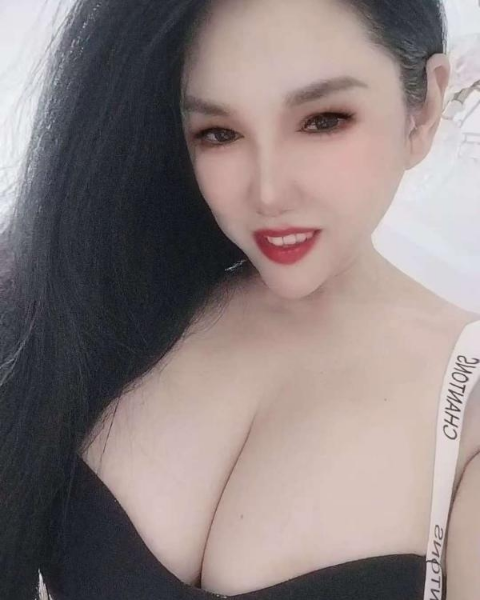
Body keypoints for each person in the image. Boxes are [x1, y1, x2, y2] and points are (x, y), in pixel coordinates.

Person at [0, 0, 479, 599]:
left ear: (424, 107)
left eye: (323, 120)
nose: (269, 192)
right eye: (219, 133)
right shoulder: (98, 302)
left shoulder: (468, 409)